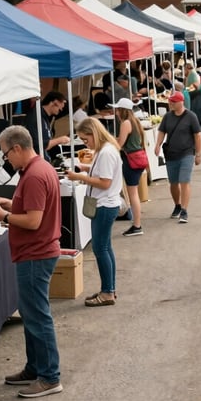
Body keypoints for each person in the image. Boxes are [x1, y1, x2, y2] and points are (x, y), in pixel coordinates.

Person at [0, 125, 63, 398]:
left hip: (35, 253)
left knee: (38, 316)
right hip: (37, 252)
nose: (6, 160)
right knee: (32, 315)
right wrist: (10, 204)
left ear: (17, 148)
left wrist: (3, 217)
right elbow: (32, 208)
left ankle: (49, 376)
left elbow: (33, 220)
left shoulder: (34, 175)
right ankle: (35, 367)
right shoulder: (39, 169)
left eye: (6, 154)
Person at [66, 118, 123, 305]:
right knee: (106, 248)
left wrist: (79, 176)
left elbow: (104, 182)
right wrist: (85, 168)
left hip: (104, 205)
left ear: (93, 133)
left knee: (100, 249)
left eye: (85, 139)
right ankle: (109, 289)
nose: (85, 143)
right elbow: (102, 174)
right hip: (106, 204)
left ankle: (107, 291)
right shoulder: (106, 149)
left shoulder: (105, 152)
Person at [154, 92, 201, 223]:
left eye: (173, 102)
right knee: (173, 183)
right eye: (170, 102)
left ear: (181, 102)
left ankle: (184, 210)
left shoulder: (191, 116)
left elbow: (198, 136)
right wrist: (158, 144)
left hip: (187, 153)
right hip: (171, 153)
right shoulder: (167, 117)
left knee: (184, 181)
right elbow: (162, 131)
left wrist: (198, 154)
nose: (170, 104)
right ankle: (177, 205)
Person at [110, 98, 147, 236]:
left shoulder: (126, 123)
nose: (116, 112)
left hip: (130, 160)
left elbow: (120, 143)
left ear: (122, 111)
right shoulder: (135, 121)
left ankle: (137, 225)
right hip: (137, 159)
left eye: (118, 110)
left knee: (133, 194)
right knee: (134, 193)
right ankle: (136, 224)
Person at [25, 91, 71, 160]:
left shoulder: (44, 116)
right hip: (38, 158)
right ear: (54, 102)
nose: (61, 109)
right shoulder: (36, 117)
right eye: (59, 108)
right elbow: (42, 145)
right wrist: (60, 139)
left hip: (44, 156)